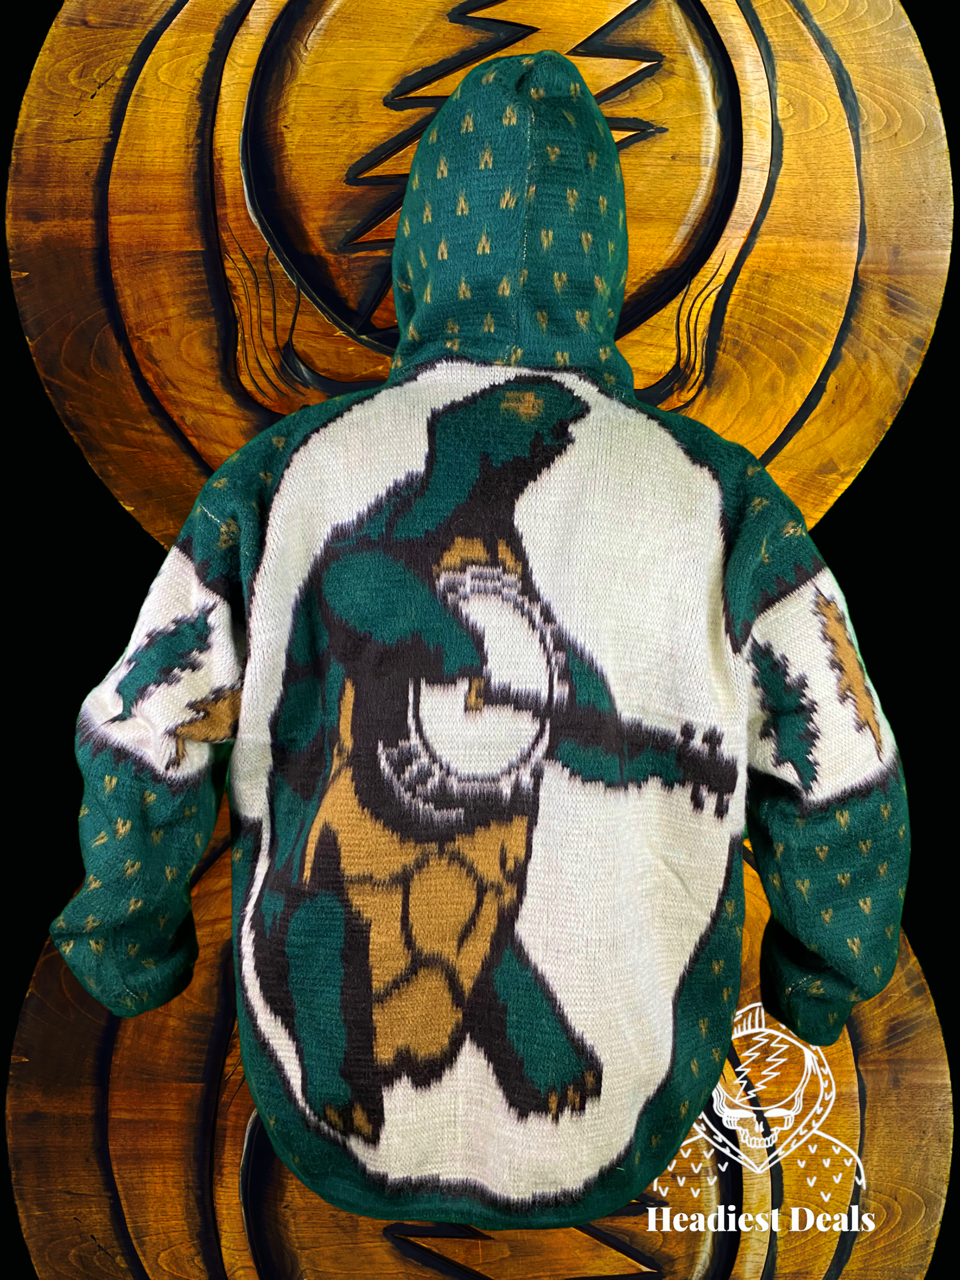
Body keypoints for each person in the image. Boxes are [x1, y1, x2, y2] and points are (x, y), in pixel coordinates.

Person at [50, 49, 909, 1228]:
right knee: (372, 917)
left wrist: (126, 936)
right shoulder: (715, 498)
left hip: (373, 1042)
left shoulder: (286, 476)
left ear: (423, 251)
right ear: (601, 261)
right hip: (604, 1068)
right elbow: (844, 768)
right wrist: (824, 974)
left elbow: (146, 727)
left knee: (479, 937)